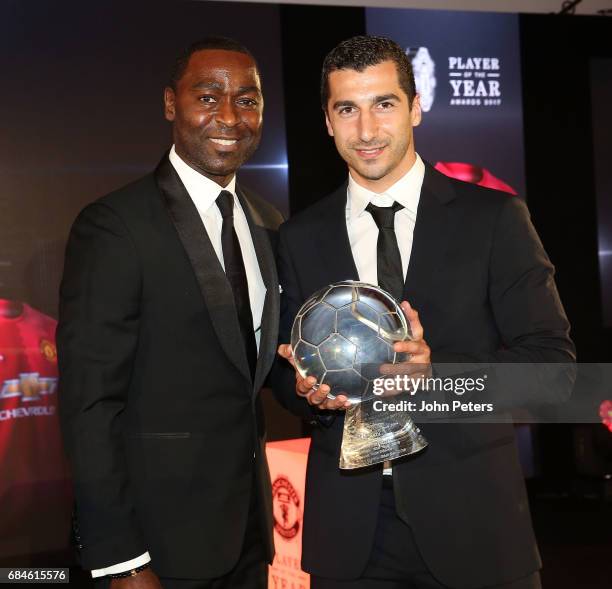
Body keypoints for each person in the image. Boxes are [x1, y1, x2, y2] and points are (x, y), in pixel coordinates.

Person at [274, 36, 575, 589]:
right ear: (327, 120)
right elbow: (284, 373)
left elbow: (553, 374)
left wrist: (438, 380)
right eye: (348, 109)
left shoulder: (495, 220)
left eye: (384, 104)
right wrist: (306, 390)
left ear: (415, 107)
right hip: (352, 537)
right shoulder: (297, 238)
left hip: (476, 528)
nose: (366, 130)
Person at [58, 37, 283, 589]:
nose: (230, 116)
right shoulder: (115, 226)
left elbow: (261, 366)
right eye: (208, 97)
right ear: (170, 104)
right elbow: (89, 402)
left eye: (247, 100)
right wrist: (122, 560)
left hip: (248, 536)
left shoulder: (269, 222)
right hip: (156, 544)